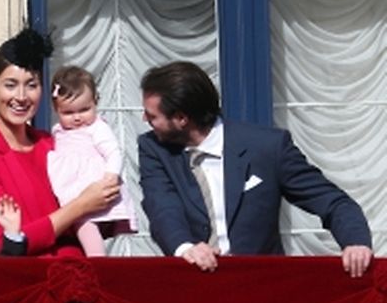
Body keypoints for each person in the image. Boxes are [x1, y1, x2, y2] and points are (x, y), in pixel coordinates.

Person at [138, 60, 373, 276]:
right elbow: (162, 206)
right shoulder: (154, 148)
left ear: (181, 119)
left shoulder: (267, 147)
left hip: (260, 286)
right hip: (195, 285)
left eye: (152, 116)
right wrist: (186, 249)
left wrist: (356, 243)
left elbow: (333, 202)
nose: (144, 120)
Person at [0, 27, 120, 257]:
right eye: (10, 85)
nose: (21, 96)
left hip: (79, 275)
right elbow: (4, 242)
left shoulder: (54, 142)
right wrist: (80, 206)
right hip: (28, 283)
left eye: (31, 84)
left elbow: (99, 214)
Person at [46, 65, 136, 256]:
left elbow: (113, 152)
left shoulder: (97, 128)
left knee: (84, 223)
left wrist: (111, 175)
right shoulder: (57, 131)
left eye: (85, 109)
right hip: (70, 189)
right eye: (68, 113)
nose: (77, 118)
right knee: (79, 225)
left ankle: (98, 261)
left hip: (91, 186)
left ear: (95, 102)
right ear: (56, 109)